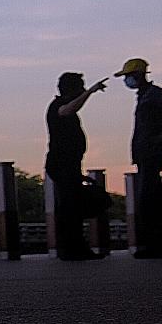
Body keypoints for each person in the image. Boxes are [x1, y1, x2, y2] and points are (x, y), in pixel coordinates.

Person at [114, 58, 162, 258]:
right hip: (144, 153)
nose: (127, 81)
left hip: (152, 153)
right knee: (152, 197)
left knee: (149, 199)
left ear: (138, 75)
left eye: (129, 76)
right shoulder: (144, 95)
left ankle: (157, 246)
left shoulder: (155, 94)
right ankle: (158, 245)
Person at [45, 71, 105, 260]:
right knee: (70, 206)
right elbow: (68, 110)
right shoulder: (57, 106)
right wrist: (90, 93)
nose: (83, 90)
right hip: (62, 164)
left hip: (69, 165)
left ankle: (76, 247)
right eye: (80, 87)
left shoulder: (63, 106)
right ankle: (72, 248)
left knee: (73, 205)